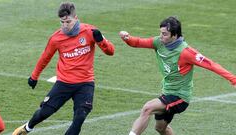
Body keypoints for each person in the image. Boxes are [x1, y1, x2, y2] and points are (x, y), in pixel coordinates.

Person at [119, 16, 236, 135]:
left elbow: (211, 65)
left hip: (180, 97)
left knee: (147, 108)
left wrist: (234, 80)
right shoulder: (159, 42)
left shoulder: (186, 52)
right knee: (160, 128)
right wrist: (127, 38)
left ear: (174, 35)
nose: (161, 36)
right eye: (160, 33)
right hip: (167, 92)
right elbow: (138, 42)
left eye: (164, 34)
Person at [13, 2, 114, 135]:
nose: (65, 25)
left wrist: (101, 41)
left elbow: (110, 51)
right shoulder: (56, 38)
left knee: (79, 118)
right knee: (45, 112)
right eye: (62, 22)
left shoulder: (90, 31)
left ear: (76, 18)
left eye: (68, 21)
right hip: (64, 83)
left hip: (85, 83)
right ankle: (27, 128)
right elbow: (45, 57)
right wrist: (34, 76)